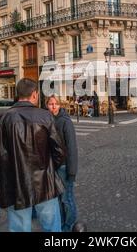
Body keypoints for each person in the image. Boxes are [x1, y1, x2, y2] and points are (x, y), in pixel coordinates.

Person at [0, 79, 66, 232]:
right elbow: (60, 152)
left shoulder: (1, 119)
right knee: (52, 227)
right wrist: (48, 169)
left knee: (19, 228)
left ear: (18, 94)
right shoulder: (45, 116)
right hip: (44, 182)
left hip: (14, 183)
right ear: (35, 95)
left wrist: (6, 175)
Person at [46, 95, 79, 232]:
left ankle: (69, 225)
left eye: (56, 104)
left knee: (67, 198)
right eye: (50, 104)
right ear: (46, 105)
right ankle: (61, 223)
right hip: (52, 167)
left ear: (60, 105)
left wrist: (72, 172)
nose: (53, 106)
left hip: (64, 167)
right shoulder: (46, 120)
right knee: (58, 200)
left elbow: (72, 147)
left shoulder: (65, 121)